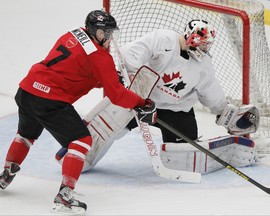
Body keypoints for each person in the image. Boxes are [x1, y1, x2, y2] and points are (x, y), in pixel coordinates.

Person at [0, 10, 156, 214]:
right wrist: (141, 102)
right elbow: (117, 96)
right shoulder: (101, 58)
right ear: (96, 32)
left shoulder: (73, 33)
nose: (109, 38)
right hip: (49, 100)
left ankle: (5, 175)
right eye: (105, 33)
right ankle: (64, 196)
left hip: (28, 90)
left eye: (110, 33)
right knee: (82, 140)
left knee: (26, 135)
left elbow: (75, 68)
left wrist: (105, 78)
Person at [55, 19, 258, 176]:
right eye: (204, 45)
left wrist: (225, 112)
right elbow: (130, 54)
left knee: (183, 158)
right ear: (193, 39)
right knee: (110, 129)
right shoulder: (163, 39)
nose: (206, 50)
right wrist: (132, 85)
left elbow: (211, 93)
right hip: (142, 102)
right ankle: (76, 153)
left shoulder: (203, 66)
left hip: (176, 111)